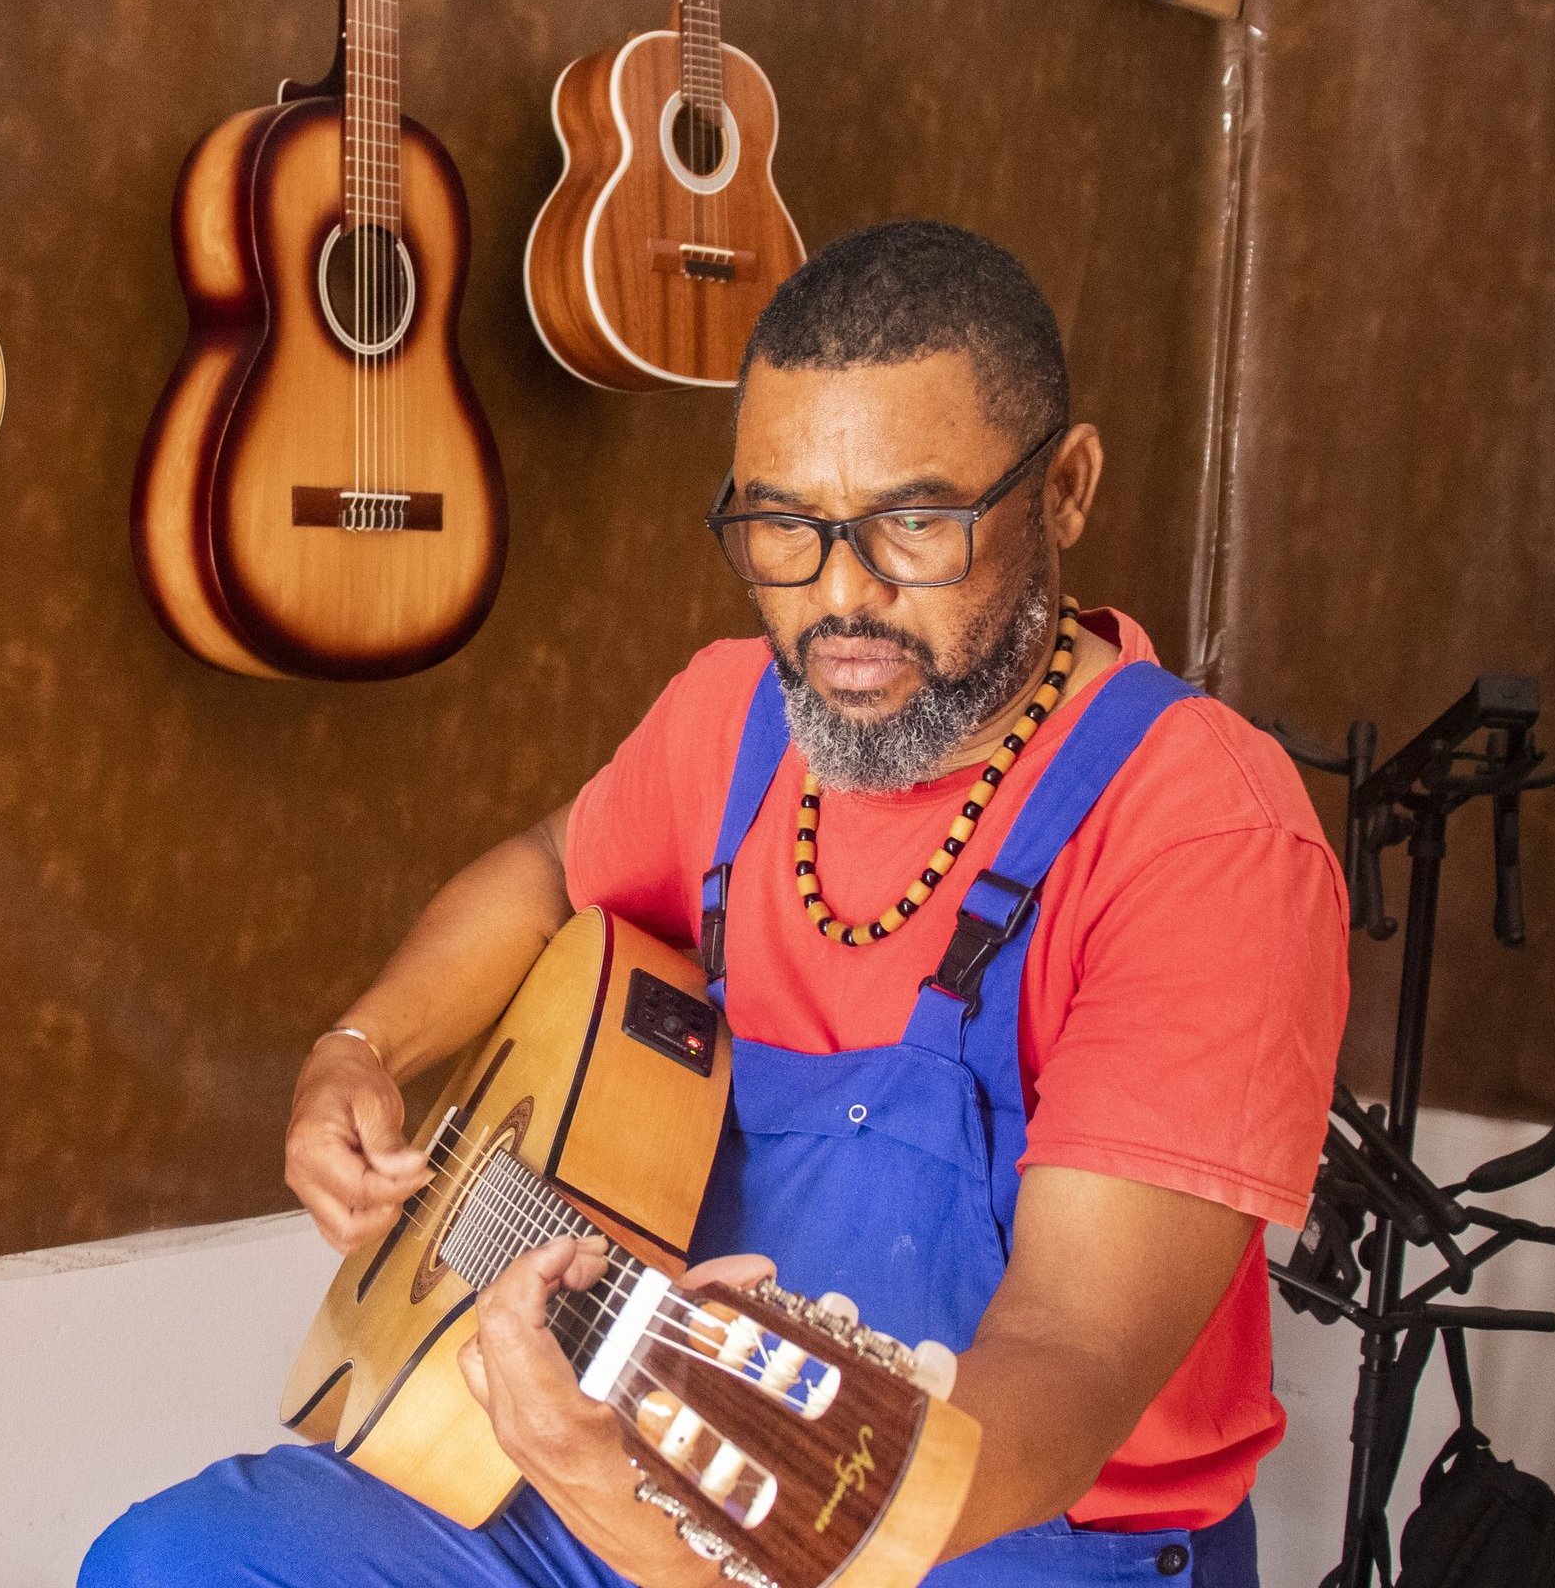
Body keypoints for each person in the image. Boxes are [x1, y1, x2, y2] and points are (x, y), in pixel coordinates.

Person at [82, 220, 1347, 1588]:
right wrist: (363, 1051)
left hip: (992, 1533)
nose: (840, 599)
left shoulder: (1205, 832)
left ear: (1070, 489)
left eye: (916, 522)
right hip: (625, 1445)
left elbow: (1076, 1361)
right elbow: (537, 870)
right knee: (180, 1561)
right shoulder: (734, 720)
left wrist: (663, 1506)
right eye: (783, 528)